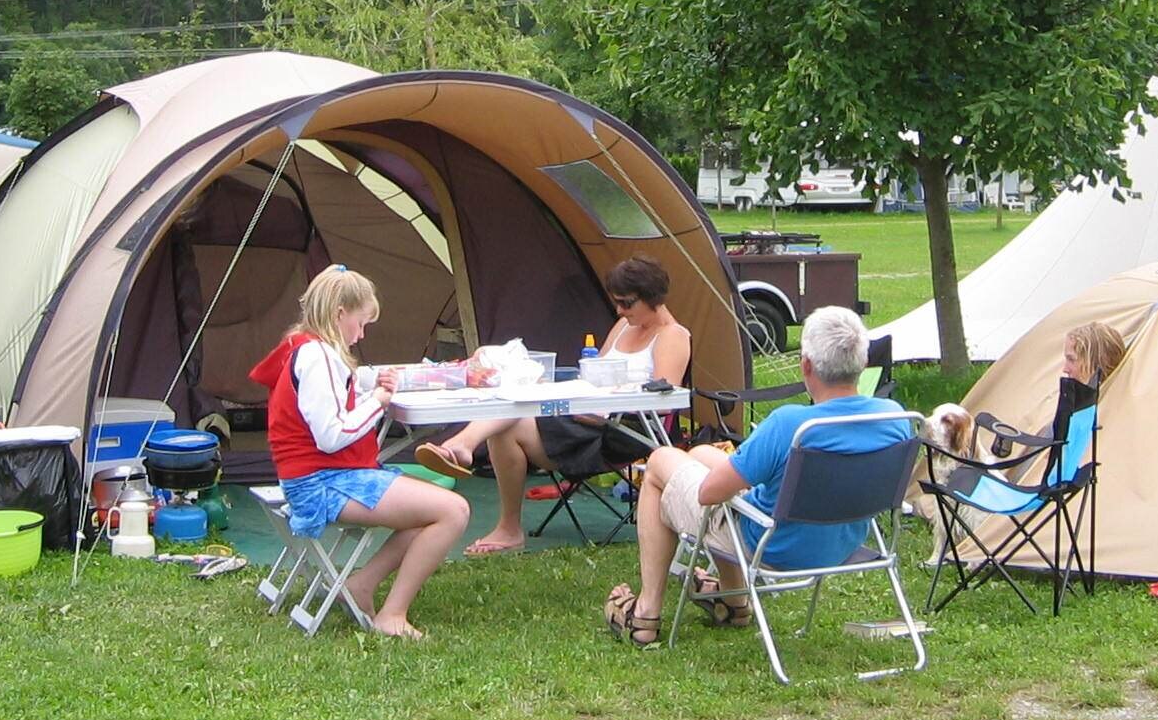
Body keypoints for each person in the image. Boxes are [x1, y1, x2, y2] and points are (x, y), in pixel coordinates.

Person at [602, 304, 903, 648]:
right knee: (701, 454)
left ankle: (645, 614)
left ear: (806, 365)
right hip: (842, 543)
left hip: (774, 546)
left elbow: (709, 494)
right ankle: (734, 601)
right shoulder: (893, 418)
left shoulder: (791, 425)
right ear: (862, 364)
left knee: (659, 463)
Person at [414, 255, 691, 556]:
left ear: (652, 298)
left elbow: (663, 401)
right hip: (587, 414)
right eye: (617, 303)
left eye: (627, 303)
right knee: (514, 407)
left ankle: (462, 449)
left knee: (514, 413)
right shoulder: (624, 326)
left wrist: (604, 401)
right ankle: (492, 498)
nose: (620, 310)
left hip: (621, 432)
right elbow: (595, 372)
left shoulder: (672, 336)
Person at [248, 265, 469, 640]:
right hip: (320, 484)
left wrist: (368, 395)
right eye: (361, 323)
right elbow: (332, 435)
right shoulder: (317, 358)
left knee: (429, 509)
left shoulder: (302, 346)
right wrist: (379, 401)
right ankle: (392, 615)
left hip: (316, 476)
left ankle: (362, 584)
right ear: (339, 314)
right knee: (453, 510)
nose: (362, 334)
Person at [1050, 321, 1127, 449]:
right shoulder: (1074, 409)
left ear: (1097, 363)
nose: (1065, 369)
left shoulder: (1114, 415)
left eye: (1071, 359)